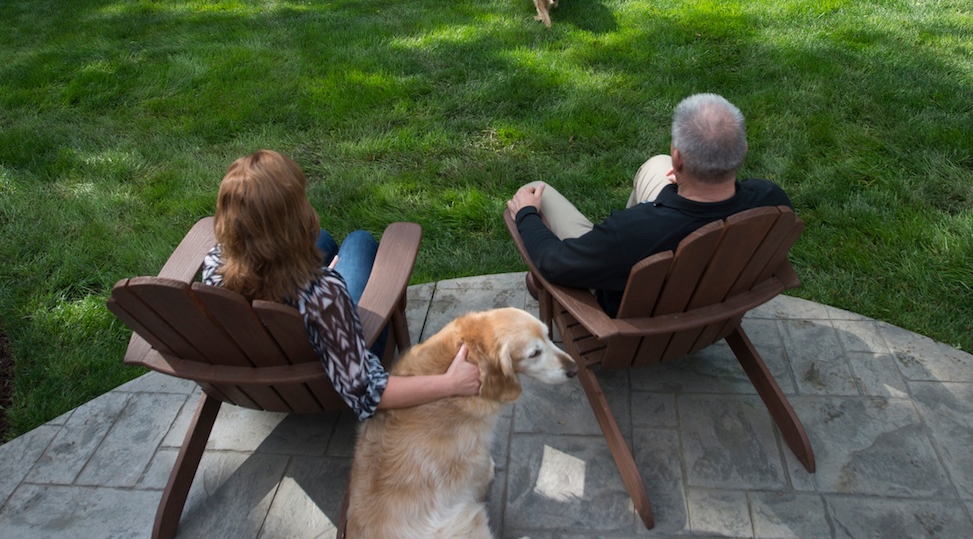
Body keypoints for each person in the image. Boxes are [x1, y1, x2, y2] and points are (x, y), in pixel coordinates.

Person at [202, 150, 480, 421]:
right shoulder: (323, 294)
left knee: (322, 239)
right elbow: (368, 391)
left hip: (262, 365)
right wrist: (451, 383)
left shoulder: (214, 263)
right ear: (295, 220)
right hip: (319, 379)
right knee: (359, 241)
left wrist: (317, 277)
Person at [507, 93, 792, 316]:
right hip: (709, 297)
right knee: (657, 165)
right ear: (743, 150)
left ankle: (585, 269)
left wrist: (528, 214)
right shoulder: (771, 200)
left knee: (533, 192)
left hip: (635, 318)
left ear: (679, 159)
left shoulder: (631, 232)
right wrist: (681, 184)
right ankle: (605, 260)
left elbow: (553, 262)